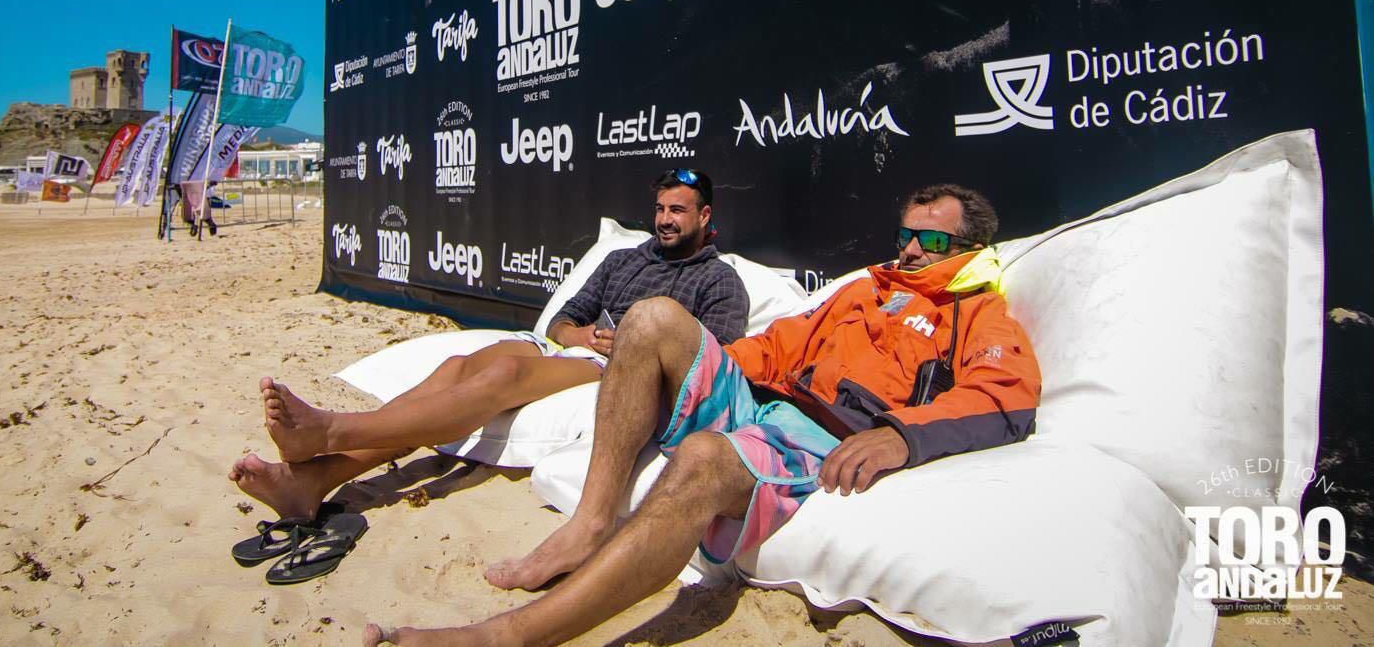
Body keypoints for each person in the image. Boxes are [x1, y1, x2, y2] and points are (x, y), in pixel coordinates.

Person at [364, 184, 1041, 646]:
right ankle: (590, 522)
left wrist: (900, 435)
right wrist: (697, 365)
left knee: (704, 459)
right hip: (765, 398)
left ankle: (508, 634)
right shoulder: (863, 290)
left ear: (969, 249)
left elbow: (1003, 392)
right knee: (651, 317)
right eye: (905, 235)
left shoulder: (977, 311)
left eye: (930, 240)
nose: (911, 250)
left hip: (824, 434)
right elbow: (780, 344)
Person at [229, 169, 748, 524]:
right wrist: (582, 335)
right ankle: (313, 481)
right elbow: (562, 322)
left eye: (678, 210)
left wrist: (631, 349)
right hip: (578, 350)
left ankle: (331, 431)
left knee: (503, 377)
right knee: (456, 367)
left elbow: (713, 365)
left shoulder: (719, 280)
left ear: (704, 217)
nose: (664, 220)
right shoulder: (624, 259)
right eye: (659, 209)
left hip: (620, 372)